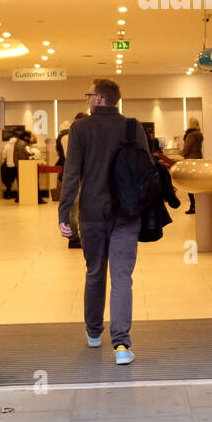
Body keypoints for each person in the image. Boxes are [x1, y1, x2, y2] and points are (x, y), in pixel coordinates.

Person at [57, 78, 147, 365]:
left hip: (92, 213)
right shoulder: (133, 127)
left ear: (99, 98)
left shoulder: (81, 129)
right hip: (127, 214)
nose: (87, 99)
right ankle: (121, 346)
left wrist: (64, 213)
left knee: (95, 271)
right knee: (122, 277)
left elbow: (71, 174)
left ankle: (94, 332)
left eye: (89, 94)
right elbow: (146, 172)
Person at [57, 113, 86, 248]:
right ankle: (74, 237)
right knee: (73, 207)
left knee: (75, 207)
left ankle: (76, 235)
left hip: (73, 174)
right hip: (75, 174)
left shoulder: (64, 136)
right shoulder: (70, 137)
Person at [181, 117, 204, 214]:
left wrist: (180, 154)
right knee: (196, 184)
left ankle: (193, 206)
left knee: (189, 184)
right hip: (198, 159)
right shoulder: (199, 135)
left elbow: (186, 149)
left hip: (190, 161)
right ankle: (199, 205)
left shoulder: (191, 135)